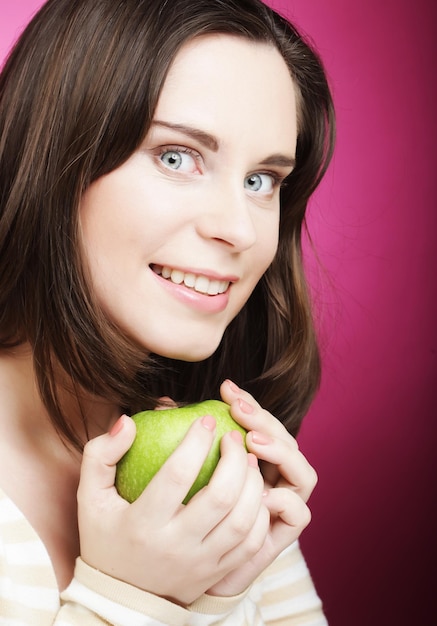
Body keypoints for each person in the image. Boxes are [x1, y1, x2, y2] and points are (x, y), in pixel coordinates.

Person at [0, 0, 335, 623]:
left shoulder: (211, 489)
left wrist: (218, 594)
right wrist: (129, 600)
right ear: (53, 161)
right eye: (177, 157)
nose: (239, 230)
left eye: (262, 180)